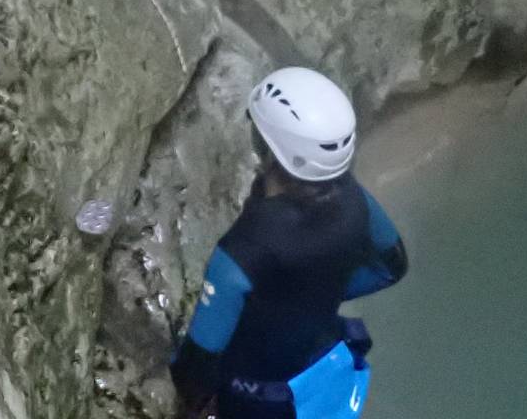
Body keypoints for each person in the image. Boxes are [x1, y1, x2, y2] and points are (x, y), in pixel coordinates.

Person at [171, 67, 408, 418]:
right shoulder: (355, 200)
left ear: (267, 149)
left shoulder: (242, 251)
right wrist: (313, 299)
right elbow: (392, 267)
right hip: (318, 371)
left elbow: (195, 370)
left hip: (256, 399)